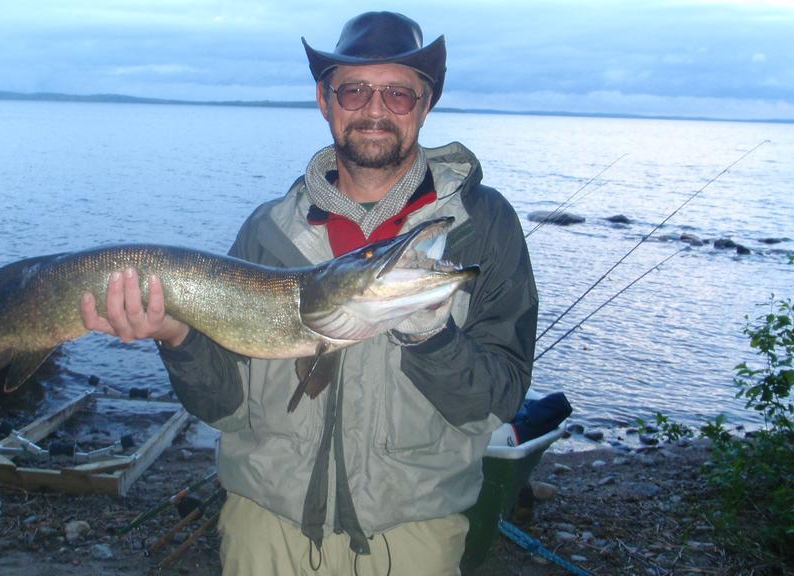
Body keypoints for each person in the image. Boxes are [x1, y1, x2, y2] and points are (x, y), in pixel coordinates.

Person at [81, 11, 537, 576]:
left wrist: (429, 335)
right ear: (325, 101)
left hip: (413, 535)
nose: (374, 109)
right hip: (263, 528)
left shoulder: (484, 224)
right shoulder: (266, 231)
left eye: (398, 93)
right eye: (354, 90)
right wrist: (177, 337)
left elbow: (496, 403)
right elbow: (222, 408)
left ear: (425, 105)